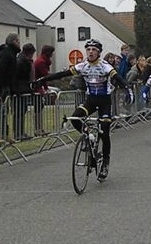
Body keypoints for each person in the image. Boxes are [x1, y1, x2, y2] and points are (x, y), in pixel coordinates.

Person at [35, 39, 134, 180]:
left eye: (94, 50)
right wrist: (43, 79)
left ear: (99, 52)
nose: (90, 52)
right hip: (91, 100)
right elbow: (63, 74)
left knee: (105, 131)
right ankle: (89, 136)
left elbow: (118, 78)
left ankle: (105, 163)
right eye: (88, 49)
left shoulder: (105, 66)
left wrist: (128, 89)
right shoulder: (83, 66)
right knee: (75, 118)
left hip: (105, 101)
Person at [0, 33, 21, 144]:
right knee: (2, 111)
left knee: (5, 112)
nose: (19, 43)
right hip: (2, 87)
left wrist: (13, 90)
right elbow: (2, 71)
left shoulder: (11, 54)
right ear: (13, 42)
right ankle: (2, 135)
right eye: (18, 41)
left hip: (7, 87)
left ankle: (5, 134)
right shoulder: (6, 54)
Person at [12, 43, 36, 140]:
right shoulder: (21, 62)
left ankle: (21, 132)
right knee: (19, 112)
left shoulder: (24, 61)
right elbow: (17, 77)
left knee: (22, 111)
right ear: (29, 53)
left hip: (22, 90)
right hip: (19, 90)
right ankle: (18, 133)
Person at [33, 45, 55, 136]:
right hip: (36, 88)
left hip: (39, 87)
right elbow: (45, 76)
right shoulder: (41, 62)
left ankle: (40, 128)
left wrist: (46, 88)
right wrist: (44, 89)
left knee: (40, 108)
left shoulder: (42, 61)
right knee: (38, 108)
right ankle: (38, 129)